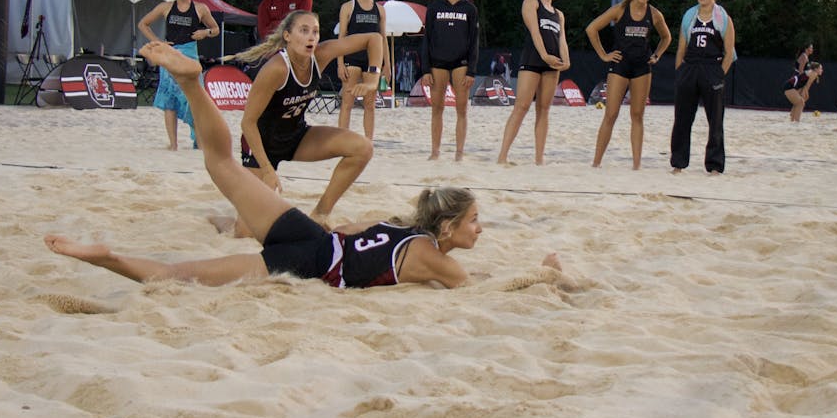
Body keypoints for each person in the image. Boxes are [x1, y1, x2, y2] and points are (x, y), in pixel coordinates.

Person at [45, 42, 563, 289]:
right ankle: (106, 257)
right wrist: (545, 277)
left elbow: (349, 226)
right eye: (474, 220)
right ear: (448, 227)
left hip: (309, 234)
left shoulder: (402, 227)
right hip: (306, 265)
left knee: (221, 164)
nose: (481, 226)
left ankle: (190, 83)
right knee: (179, 274)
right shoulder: (436, 257)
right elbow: (480, 288)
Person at [227, 10, 385, 228]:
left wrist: (373, 80)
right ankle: (221, 222)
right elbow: (247, 123)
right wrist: (266, 169)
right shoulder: (276, 69)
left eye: (316, 31)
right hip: (261, 146)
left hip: (295, 136)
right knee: (244, 231)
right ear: (287, 36)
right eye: (304, 30)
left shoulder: (321, 54)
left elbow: (374, 38)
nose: (311, 36)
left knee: (363, 148)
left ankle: (320, 214)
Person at [585, 0, 672, 169]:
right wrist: (603, 54)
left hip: (642, 67)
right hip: (619, 66)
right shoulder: (620, 10)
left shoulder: (655, 14)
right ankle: (596, 163)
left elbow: (667, 38)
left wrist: (657, 55)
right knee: (611, 113)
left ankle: (636, 165)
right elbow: (592, 29)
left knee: (637, 115)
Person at [138, 0, 220, 150]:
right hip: (170, 54)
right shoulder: (166, 7)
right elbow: (143, 24)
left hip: (190, 55)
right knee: (170, 99)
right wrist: (157, 42)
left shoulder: (200, 8)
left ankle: (199, 139)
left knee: (195, 98)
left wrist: (204, 33)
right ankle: (173, 144)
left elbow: (215, 29)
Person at [498, 0, 570, 165]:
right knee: (521, 106)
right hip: (533, 59)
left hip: (552, 64)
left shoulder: (559, 14)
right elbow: (535, 31)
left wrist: (566, 59)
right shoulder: (532, 2)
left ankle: (539, 159)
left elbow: (561, 39)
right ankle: (502, 156)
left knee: (544, 109)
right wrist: (545, 55)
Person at [670, 0, 735, 174]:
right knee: (682, 118)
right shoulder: (690, 15)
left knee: (715, 120)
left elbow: (729, 52)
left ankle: (714, 165)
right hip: (690, 67)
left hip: (711, 68)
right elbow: (681, 48)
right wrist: (680, 72)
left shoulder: (722, 18)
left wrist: (719, 75)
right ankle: (678, 163)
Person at [421, 0, 480, 161]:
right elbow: (427, 39)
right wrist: (425, 69)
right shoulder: (434, 8)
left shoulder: (469, 9)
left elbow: (474, 42)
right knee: (437, 108)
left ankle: (459, 153)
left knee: (461, 109)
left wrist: (472, 70)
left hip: (461, 63)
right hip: (438, 63)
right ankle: (435, 151)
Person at [336, 0, 387, 140]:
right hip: (351, 57)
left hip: (372, 60)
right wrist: (340, 63)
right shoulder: (348, 7)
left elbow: (383, 39)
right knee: (347, 103)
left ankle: (368, 141)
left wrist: (385, 64)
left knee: (370, 104)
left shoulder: (380, 10)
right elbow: (341, 37)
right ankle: (342, 140)